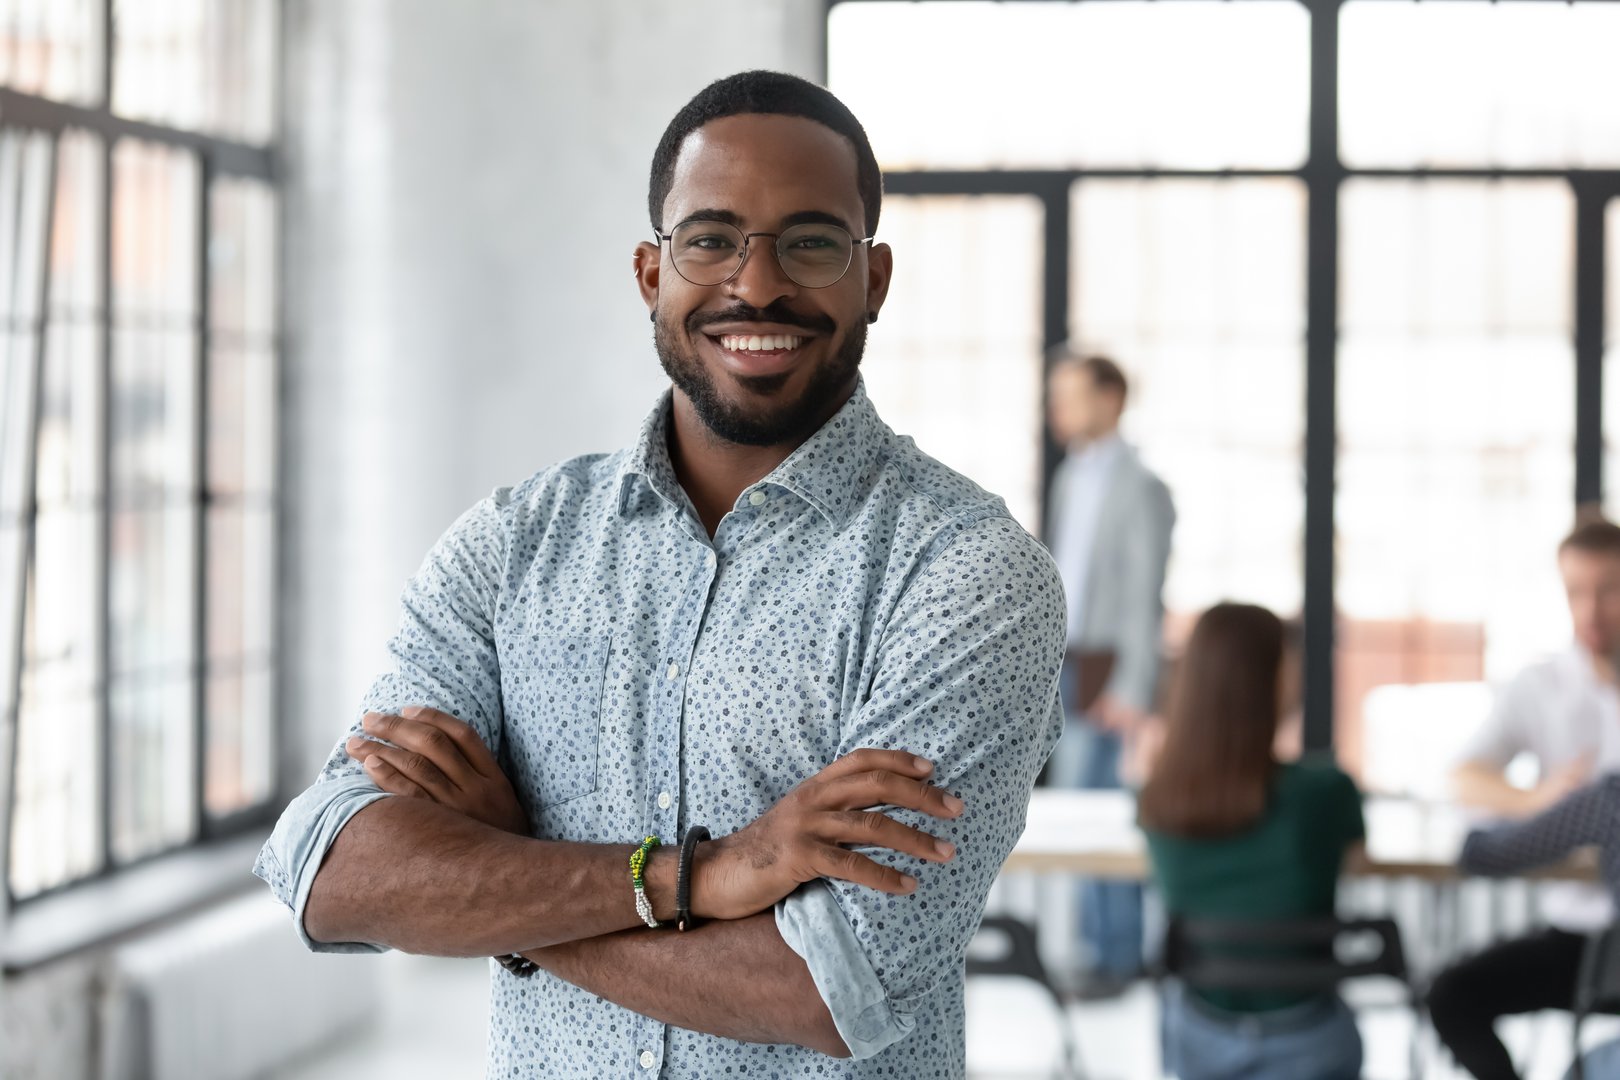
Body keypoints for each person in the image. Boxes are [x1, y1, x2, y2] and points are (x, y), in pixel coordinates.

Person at [253, 70, 1066, 1077]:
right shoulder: (514, 545)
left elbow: (829, 986)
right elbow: (329, 867)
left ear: (875, 279)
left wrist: (510, 891)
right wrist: (701, 877)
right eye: (711, 239)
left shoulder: (965, 573)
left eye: (810, 243)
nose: (757, 285)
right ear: (651, 273)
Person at [1139, 602, 1365, 1080]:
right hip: (1307, 1038)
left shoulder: (1159, 800)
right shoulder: (1324, 792)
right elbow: (1357, 860)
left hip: (1200, 1037)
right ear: (1271, 680)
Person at [1432, 513, 1620, 1078]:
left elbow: (1480, 853)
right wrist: (1545, 802)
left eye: (1609, 590)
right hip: (1577, 936)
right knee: (1452, 995)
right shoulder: (1542, 686)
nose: (1591, 609)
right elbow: (1465, 776)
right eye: (1576, 592)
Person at [1043, 349, 1175, 993]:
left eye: (1070, 396)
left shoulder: (1142, 487)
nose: (1058, 410)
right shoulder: (1072, 478)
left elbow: (1145, 594)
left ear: (1111, 399)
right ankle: (1096, 948)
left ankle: (1119, 959)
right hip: (1066, 662)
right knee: (1073, 811)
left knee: (1107, 815)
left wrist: (1132, 687)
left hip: (1111, 666)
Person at [1454, 775, 1620, 1079]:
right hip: (1601, 965)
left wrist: (1534, 802)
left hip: (1595, 964)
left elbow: (1485, 854)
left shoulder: (1612, 796)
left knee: (1452, 995)